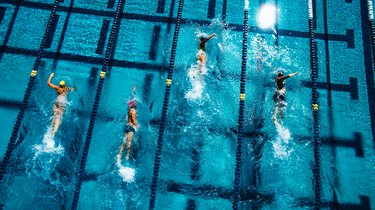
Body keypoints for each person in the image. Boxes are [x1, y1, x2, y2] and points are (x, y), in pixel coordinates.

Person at [117, 86, 139, 162]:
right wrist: (137, 126)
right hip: (131, 127)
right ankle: (127, 156)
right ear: (134, 105)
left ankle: (119, 154)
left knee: (124, 141)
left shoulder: (129, 109)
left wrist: (133, 90)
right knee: (129, 142)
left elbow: (132, 98)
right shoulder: (133, 111)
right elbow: (134, 120)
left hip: (127, 126)